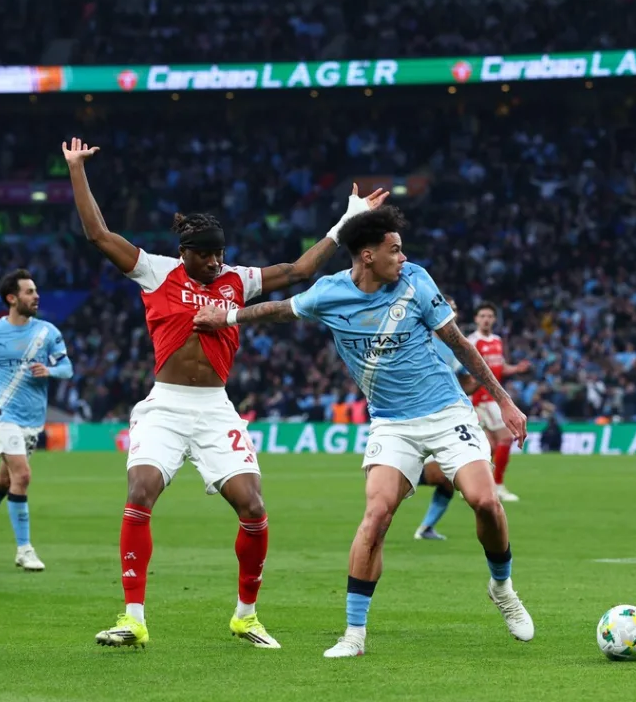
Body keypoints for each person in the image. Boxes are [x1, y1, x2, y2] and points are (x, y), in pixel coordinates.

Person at [62, 138, 387, 650]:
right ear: (184, 253)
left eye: (220, 253)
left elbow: (299, 271)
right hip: (166, 406)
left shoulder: (237, 279)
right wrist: (77, 169)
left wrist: (346, 220)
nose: (216, 261)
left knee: (253, 507)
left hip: (215, 409)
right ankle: (132, 618)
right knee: (140, 492)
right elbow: (98, 234)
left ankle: (246, 616)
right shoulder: (155, 270)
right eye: (206, 254)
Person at [192, 206, 535, 658]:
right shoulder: (330, 293)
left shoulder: (416, 281)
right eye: (395, 249)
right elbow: (279, 310)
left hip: (447, 412)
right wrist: (227, 318)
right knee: (376, 515)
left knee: (485, 501)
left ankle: (502, 588)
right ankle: (354, 635)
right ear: (368, 255)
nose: (403, 257)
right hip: (391, 423)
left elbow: (459, 344)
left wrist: (505, 400)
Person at [0, 269, 72, 571]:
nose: (36, 296)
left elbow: (67, 368)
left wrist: (50, 370)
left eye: (36, 291)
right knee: (22, 476)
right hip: (2, 413)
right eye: (29, 292)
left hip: (32, 418)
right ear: (12, 298)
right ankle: (24, 550)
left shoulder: (47, 332)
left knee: (5, 480)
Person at [414, 294, 477, 541]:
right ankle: (390, 477)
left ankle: (426, 528)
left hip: (445, 418)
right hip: (418, 417)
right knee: (442, 476)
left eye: (454, 309)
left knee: (449, 479)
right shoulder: (421, 339)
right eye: (446, 307)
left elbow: (463, 382)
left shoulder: (453, 347)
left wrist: (482, 379)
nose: (451, 313)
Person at [467, 303, 531, 502]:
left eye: (489, 316)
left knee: (491, 446)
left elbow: (499, 367)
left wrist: (516, 369)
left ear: (494, 319)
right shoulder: (472, 341)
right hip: (480, 399)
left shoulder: (497, 340)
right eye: (482, 316)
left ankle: (474, 486)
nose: (486, 319)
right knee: (505, 438)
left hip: (493, 398)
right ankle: (498, 485)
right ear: (476, 319)